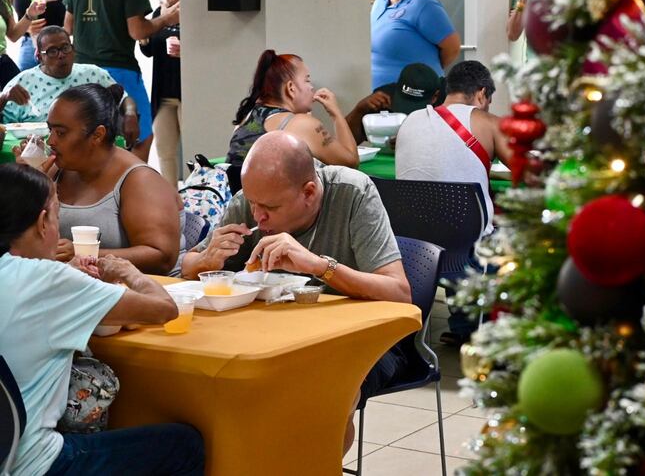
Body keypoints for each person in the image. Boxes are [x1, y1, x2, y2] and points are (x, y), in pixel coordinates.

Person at [182, 131, 412, 453]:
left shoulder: (352, 194)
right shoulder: (252, 202)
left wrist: (320, 266)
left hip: (361, 340)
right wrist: (206, 259)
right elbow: (187, 268)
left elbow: (400, 293)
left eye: (269, 208)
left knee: (324, 396)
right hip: (275, 337)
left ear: (309, 191)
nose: (258, 217)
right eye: (252, 203)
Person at [0, 162, 205, 476]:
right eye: (57, 214)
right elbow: (164, 309)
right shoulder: (47, 280)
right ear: (43, 222)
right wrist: (128, 272)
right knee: (184, 445)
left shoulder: (33, 277)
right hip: (35, 464)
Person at [42, 83, 181, 275]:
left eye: (61, 133)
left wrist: (85, 254)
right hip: (78, 289)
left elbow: (162, 257)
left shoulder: (140, 180)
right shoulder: (56, 171)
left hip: (141, 292)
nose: (51, 141)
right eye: (50, 130)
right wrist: (26, 187)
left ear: (98, 135)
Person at [63, 0, 180, 162]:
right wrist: (166, 19)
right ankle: (128, 189)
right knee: (141, 136)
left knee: (94, 136)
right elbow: (137, 31)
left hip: (81, 72)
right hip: (119, 70)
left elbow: (67, 27)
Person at [396, 60, 512, 235]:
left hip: (412, 242)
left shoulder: (410, 120)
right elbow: (530, 171)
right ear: (482, 94)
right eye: (488, 102)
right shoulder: (488, 122)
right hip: (469, 246)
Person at [225, 49, 359, 194]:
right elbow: (350, 163)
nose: (312, 87)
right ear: (291, 88)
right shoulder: (302, 124)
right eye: (307, 80)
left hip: (240, 208)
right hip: (274, 210)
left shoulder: (246, 117)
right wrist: (336, 113)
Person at [0, 26, 139, 149]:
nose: (61, 55)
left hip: (87, 150)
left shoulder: (93, 74)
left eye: (65, 48)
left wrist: (130, 114)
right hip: (35, 151)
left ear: (73, 50)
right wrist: (4, 97)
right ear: (39, 56)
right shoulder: (23, 81)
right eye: (52, 51)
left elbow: (124, 99)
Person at [371, 0, 460, 91]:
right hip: (379, 97)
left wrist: (425, 73)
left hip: (414, 96)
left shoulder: (423, 4)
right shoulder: (380, 1)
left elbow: (453, 48)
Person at [140, 0, 181, 186]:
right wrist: (143, 36)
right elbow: (148, 51)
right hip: (163, 94)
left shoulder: (193, 14)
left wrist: (185, 52)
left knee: (194, 147)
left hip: (186, 93)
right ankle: (172, 202)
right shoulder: (159, 13)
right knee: (165, 152)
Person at [345, 62, 443, 144]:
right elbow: (346, 144)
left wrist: (414, 143)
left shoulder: (447, 103)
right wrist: (359, 110)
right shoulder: (384, 99)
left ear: (435, 97)